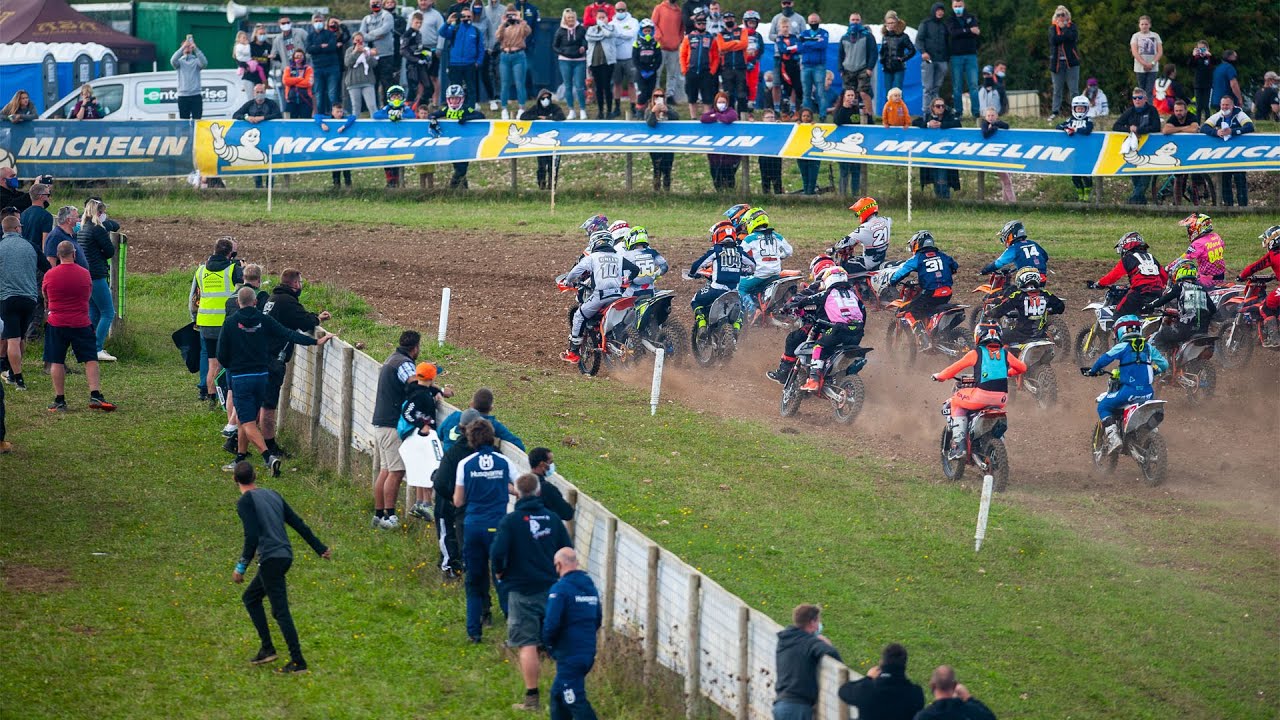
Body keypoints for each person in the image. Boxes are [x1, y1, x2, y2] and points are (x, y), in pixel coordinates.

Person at [231, 462, 331, 675]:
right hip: (284, 555)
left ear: (235, 480)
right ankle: (267, 648)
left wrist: (241, 567)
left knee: (280, 611)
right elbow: (297, 523)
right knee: (251, 598)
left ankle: (298, 661)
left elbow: (252, 536)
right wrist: (319, 547)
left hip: (270, 558)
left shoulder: (245, 502)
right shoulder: (273, 494)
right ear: (255, 475)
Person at [219, 287, 331, 475]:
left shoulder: (230, 323)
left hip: (241, 377)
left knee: (247, 421)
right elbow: (288, 333)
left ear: (238, 303)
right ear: (255, 302)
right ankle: (240, 456)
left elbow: (221, 354)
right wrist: (315, 342)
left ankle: (268, 457)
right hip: (262, 376)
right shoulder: (264, 320)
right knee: (246, 418)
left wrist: (234, 366)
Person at [492, 472, 572, 712]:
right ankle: (568, 695)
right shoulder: (553, 519)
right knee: (561, 642)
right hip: (552, 589)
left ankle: (532, 699)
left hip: (521, 589)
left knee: (527, 643)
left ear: (518, 492)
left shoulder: (511, 521)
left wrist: (499, 573)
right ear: (538, 492)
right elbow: (567, 550)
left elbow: (497, 553)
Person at [453, 419, 518, 642]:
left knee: (474, 579)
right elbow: (522, 488)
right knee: (502, 576)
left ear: (471, 439)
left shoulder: (465, 464)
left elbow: (459, 501)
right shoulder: (504, 461)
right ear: (492, 437)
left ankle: (474, 632)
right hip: (498, 527)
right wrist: (501, 488)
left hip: (473, 527)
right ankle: (514, 629)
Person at [262, 268, 331, 458]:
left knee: (259, 403)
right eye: (300, 283)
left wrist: (315, 317)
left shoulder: (273, 298)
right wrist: (316, 319)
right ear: (294, 284)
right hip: (273, 359)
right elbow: (304, 322)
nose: (300, 286)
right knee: (268, 405)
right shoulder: (286, 301)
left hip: (264, 355)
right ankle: (269, 447)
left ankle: (245, 438)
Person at [932, 322, 1026, 459]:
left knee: (956, 401)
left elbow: (954, 368)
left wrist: (940, 376)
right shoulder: (1005, 353)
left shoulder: (976, 353)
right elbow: (1022, 368)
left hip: (981, 396)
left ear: (978, 336)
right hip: (1001, 399)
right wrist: (1008, 373)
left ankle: (958, 445)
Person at [42, 241, 116, 412]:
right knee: (90, 358)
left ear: (59, 255)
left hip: (57, 322)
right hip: (81, 322)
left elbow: (45, 295)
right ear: (74, 254)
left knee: (57, 360)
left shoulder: (50, 275)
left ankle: (60, 399)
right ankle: (95, 394)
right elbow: (88, 294)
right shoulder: (84, 274)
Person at [1082, 315, 1169, 453]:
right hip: (1149, 394)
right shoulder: (1147, 347)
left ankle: (1113, 437)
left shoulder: (1122, 346)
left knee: (1103, 406)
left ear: (1121, 331)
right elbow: (1164, 364)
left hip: (1129, 392)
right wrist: (1152, 371)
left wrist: (1093, 370)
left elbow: (1104, 359)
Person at [561, 231, 639, 362]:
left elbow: (576, 271)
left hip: (600, 295)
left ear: (594, 242)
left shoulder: (593, 257)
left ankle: (573, 352)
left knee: (579, 315)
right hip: (618, 295)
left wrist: (567, 281)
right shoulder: (618, 257)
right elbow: (635, 269)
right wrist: (628, 279)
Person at [542, 548, 602, 720]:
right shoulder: (590, 587)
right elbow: (597, 619)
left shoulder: (560, 590)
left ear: (559, 565)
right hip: (587, 653)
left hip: (569, 655)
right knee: (558, 695)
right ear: (576, 563)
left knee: (573, 699)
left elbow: (551, 624)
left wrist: (549, 645)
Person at [370, 330, 420, 528]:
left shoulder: (391, 358)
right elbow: (415, 383)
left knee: (385, 470)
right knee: (396, 472)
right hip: (392, 425)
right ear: (415, 347)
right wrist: (436, 390)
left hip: (381, 423)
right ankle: (389, 516)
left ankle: (379, 514)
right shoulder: (404, 363)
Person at [189, 237, 241, 404]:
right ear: (229, 253)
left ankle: (212, 398)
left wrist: (194, 317)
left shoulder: (201, 270)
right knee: (230, 362)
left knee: (212, 363)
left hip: (205, 321)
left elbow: (194, 297)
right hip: (225, 323)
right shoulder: (233, 269)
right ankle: (228, 397)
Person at [399, 361, 454, 519]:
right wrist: (422, 424)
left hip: (420, 435)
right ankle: (427, 504)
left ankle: (420, 502)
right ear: (432, 377)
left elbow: (430, 389)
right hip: (422, 436)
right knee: (429, 467)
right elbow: (407, 412)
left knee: (421, 467)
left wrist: (441, 392)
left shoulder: (419, 388)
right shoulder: (420, 395)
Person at [797, 268, 864, 391]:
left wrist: (797, 306)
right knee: (843, 349)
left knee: (818, 346)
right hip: (857, 331)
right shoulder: (854, 294)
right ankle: (842, 376)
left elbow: (806, 301)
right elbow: (863, 312)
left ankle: (814, 379)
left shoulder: (828, 293)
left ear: (829, 279)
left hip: (838, 329)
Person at [889, 231, 959, 348]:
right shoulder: (943, 256)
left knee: (909, 311)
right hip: (947, 292)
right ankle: (934, 333)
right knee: (928, 309)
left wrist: (892, 281)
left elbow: (900, 273)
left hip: (931, 294)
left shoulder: (917, 258)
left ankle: (924, 340)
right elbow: (955, 266)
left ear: (917, 244)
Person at [773, 604, 841, 720]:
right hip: (797, 708)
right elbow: (835, 657)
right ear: (812, 622)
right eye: (818, 621)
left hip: (780, 704)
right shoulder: (810, 643)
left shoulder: (786, 638)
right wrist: (825, 643)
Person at [687, 220, 752, 329]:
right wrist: (747, 271)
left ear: (718, 235)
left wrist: (692, 273)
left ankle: (702, 322)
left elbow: (697, 264)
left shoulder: (717, 250)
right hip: (734, 292)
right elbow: (752, 264)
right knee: (742, 308)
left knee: (695, 300)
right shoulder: (739, 251)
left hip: (716, 289)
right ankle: (736, 327)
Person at [837, 643, 925, 720]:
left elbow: (843, 691)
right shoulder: (916, 694)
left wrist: (868, 678)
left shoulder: (867, 690)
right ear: (904, 664)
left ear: (881, 663)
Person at [1088, 231, 1167, 318]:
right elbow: (1164, 277)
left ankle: (1127, 331)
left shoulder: (1128, 258)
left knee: (1117, 315)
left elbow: (1113, 276)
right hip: (1157, 293)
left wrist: (1098, 284)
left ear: (1125, 246)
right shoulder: (1151, 258)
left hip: (1139, 292)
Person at [77, 199, 118, 361]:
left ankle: (87, 346)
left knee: (93, 312)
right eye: (103, 212)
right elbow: (109, 251)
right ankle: (97, 348)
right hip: (97, 275)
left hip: (86, 274)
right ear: (99, 213)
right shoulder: (98, 230)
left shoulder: (82, 229)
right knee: (108, 312)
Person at [1145, 262, 1214, 357]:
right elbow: (1213, 309)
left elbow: (1164, 299)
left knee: (1161, 336)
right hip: (1203, 331)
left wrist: (1150, 306)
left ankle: (1161, 363)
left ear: (1179, 273)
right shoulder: (1202, 289)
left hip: (1185, 329)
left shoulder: (1180, 286)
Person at [0, 215, 37, 390]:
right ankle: (14, 374)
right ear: (16, 228)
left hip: (8, 299)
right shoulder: (30, 245)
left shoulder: (1, 247)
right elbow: (46, 266)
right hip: (29, 298)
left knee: (13, 340)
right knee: (21, 338)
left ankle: (18, 379)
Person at [985, 267, 1065, 345]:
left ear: (1021, 280)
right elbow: (1060, 307)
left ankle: (1005, 357)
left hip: (1021, 334)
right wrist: (1048, 311)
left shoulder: (1018, 295)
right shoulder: (1046, 294)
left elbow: (1002, 308)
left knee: (998, 335)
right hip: (1040, 335)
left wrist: (990, 312)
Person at [1199, 95, 1254, 207]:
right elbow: (1204, 127)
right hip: (1223, 154)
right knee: (1225, 181)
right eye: (1223, 105)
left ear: (1232, 105)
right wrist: (1216, 132)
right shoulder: (1218, 115)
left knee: (1240, 181)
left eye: (1227, 105)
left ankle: (1243, 207)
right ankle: (1228, 207)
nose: (1224, 107)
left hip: (1239, 153)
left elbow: (1249, 127)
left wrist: (1232, 131)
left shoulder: (1239, 114)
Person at [738, 208, 792, 318]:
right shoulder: (777, 236)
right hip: (776, 274)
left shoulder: (749, 238)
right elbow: (789, 251)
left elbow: (740, 255)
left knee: (739, 287)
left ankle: (753, 311)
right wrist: (778, 257)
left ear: (752, 222)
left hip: (760, 275)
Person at [1111, 88, 1160, 204]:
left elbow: (1156, 127)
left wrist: (1139, 130)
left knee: (1145, 176)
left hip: (1149, 148)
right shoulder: (1130, 111)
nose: (1137, 100)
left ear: (1145, 99)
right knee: (1135, 177)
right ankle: (1140, 204)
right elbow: (1116, 126)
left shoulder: (1152, 110)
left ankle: (1131, 201)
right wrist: (1129, 129)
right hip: (1134, 149)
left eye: (1139, 98)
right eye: (1134, 98)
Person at [439, 387, 525, 452]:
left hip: (446, 460)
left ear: (471, 404)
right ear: (491, 408)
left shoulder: (454, 416)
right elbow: (518, 446)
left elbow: (439, 433)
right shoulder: (490, 424)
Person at [1239, 226, 1280, 347]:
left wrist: (1241, 276)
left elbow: (1254, 267)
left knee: (1265, 306)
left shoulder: (1274, 254)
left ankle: (1274, 338)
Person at [912, 101, 961, 198]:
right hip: (931, 153)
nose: (941, 108)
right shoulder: (927, 117)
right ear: (933, 108)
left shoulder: (950, 116)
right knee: (936, 177)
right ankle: (939, 200)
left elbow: (957, 123)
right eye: (938, 106)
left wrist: (941, 125)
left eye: (943, 106)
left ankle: (944, 200)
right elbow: (914, 122)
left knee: (943, 177)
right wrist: (928, 124)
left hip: (946, 154)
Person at [834, 197, 891, 277]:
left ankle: (848, 288)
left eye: (858, 213)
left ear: (864, 211)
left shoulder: (865, 228)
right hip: (880, 258)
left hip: (869, 262)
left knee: (840, 268)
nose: (858, 215)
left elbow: (845, 242)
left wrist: (834, 248)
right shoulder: (886, 220)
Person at [914, 666, 999, 720]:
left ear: (932, 686)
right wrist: (968, 698)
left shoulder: (925, 716)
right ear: (955, 685)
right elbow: (990, 717)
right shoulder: (969, 712)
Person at [373, 85, 418, 187]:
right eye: (394, 97)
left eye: (398, 96)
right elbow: (376, 115)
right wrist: (390, 116)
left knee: (398, 161)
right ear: (389, 97)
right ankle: (389, 181)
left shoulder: (404, 108)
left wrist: (400, 116)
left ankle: (397, 182)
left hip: (401, 139)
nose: (396, 99)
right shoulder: (387, 107)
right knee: (387, 161)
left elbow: (412, 115)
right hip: (388, 138)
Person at [836, 13, 875, 121]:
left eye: (857, 20)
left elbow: (873, 53)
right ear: (849, 21)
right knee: (848, 94)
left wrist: (870, 68)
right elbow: (840, 54)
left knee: (864, 93)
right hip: (847, 69)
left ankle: (870, 117)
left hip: (862, 68)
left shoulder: (867, 36)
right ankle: (846, 116)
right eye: (853, 20)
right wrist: (840, 68)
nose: (855, 22)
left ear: (860, 21)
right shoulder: (844, 37)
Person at [495, 6, 532, 119]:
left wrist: (520, 20)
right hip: (505, 56)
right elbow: (497, 37)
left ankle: (521, 108)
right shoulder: (504, 27)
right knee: (505, 84)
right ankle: (504, 108)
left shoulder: (520, 26)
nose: (511, 17)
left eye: (513, 15)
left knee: (519, 83)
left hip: (518, 56)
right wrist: (503, 23)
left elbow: (528, 31)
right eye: (509, 15)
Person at [679, 11, 717, 119]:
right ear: (695, 24)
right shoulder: (688, 37)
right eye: (699, 23)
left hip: (706, 71)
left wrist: (712, 71)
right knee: (692, 96)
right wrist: (684, 69)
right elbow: (682, 54)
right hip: (691, 70)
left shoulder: (711, 38)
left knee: (707, 97)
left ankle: (706, 116)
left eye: (703, 23)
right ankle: (693, 117)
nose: (701, 25)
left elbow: (715, 56)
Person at [525, 89, 566, 188]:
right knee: (541, 166)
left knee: (553, 167)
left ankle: (552, 186)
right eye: (543, 98)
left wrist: (547, 118)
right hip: (541, 142)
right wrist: (538, 118)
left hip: (554, 142)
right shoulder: (536, 108)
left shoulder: (555, 108)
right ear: (539, 99)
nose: (546, 100)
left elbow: (561, 116)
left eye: (547, 98)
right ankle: (541, 184)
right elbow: (524, 116)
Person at [947, 0, 980, 118]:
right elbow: (952, 33)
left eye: (959, 6)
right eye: (955, 6)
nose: (957, 8)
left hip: (971, 55)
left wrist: (964, 31)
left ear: (964, 5)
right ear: (952, 6)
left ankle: (976, 112)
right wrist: (968, 30)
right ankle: (958, 112)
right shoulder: (950, 19)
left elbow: (976, 32)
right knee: (957, 86)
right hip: (956, 56)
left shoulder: (971, 17)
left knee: (974, 85)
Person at [1057, 95, 1094, 201]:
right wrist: (1066, 128)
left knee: (1086, 174)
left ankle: (1087, 195)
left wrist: (1075, 129)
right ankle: (1080, 194)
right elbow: (1058, 126)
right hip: (1074, 152)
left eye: (1082, 108)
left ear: (1086, 109)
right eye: (1078, 108)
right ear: (1074, 108)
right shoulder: (1070, 120)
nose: (1080, 110)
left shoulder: (1088, 120)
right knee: (1075, 176)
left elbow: (1087, 131)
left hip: (1086, 152)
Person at [700, 92, 740, 190]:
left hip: (729, 154)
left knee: (729, 177)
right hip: (715, 154)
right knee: (716, 178)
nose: (721, 104)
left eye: (723, 102)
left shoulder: (732, 112)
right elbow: (703, 118)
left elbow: (728, 119)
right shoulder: (712, 111)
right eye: (719, 102)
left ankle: (730, 193)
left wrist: (716, 116)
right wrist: (716, 116)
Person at [554, 10, 589, 119]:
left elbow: (585, 41)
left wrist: (584, 47)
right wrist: (563, 52)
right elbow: (555, 46)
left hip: (579, 61)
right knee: (568, 86)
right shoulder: (560, 31)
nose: (571, 20)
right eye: (568, 18)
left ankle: (582, 109)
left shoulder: (581, 29)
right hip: (565, 61)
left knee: (579, 86)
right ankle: (571, 110)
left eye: (572, 18)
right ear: (565, 19)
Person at [981, 220, 1046, 278]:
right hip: (1042, 277)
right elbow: (1045, 257)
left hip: (1027, 278)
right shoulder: (1033, 243)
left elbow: (999, 263)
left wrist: (986, 270)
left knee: (1012, 290)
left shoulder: (1014, 248)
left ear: (1010, 235)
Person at [915, 3, 949, 114]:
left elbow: (948, 42)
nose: (940, 12)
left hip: (942, 60)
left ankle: (937, 112)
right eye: (938, 10)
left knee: (937, 87)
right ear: (934, 11)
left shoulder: (944, 26)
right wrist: (923, 52)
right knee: (928, 88)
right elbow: (919, 40)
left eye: (942, 10)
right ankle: (926, 112)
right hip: (928, 60)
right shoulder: (925, 24)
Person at [1046, 6, 1079, 121]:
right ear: (1055, 16)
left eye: (1063, 14)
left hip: (1071, 63)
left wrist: (1064, 29)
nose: (1061, 17)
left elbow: (1072, 37)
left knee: (1073, 89)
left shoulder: (1072, 27)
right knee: (1057, 89)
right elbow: (1053, 40)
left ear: (1067, 16)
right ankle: (1055, 112)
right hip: (1057, 64)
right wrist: (1063, 35)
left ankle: (1076, 112)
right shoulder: (1052, 28)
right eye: (1058, 15)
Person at [650, 0, 685, 105]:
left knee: (672, 74)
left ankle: (670, 95)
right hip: (660, 47)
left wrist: (679, 39)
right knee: (657, 72)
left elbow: (682, 28)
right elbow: (653, 24)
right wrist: (658, 36)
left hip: (674, 48)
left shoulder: (679, 11)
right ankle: (657, 95)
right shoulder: (659, 8)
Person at [306, 15, 343, 112]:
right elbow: (309, 49)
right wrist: (321, 46)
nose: (318, 22)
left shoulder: (330, 34)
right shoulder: (310, 36)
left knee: (332, 93)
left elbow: (332, 47)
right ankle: (320, 114)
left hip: (332, 67)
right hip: (317, 68)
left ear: (324, 22)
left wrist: (316, 47)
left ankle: (334, 113)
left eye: (320, 20)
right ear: (312, 22)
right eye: (316, 20)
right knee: (319, 93)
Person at [361, 0, 398, 97]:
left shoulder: (387, 16)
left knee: (387, 83)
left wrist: (370, 33)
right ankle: (374, 108)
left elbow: (385, 29)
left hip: (386, 55)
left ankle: (388, 106)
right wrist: (374, 36)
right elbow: (362, 35)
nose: (375, 4)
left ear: (382, 3)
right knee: (373, 83)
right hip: (371, 56)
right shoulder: (366, 19)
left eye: (377, 2)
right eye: (373, 2)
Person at [314, 103, 356, 188]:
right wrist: (322, 124)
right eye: (337, 112)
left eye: (341, 112)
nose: (340, 114)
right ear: (332, 112)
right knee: (335, 168)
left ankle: (348, 186)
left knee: (346, 169)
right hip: (333, 149)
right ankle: (336, 186)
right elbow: (316, 116)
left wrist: (344, 126)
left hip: (345, 149)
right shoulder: (329, 119)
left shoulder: (345, 119)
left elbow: (353, 117)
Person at [527, 447, 575, 522]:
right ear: (542, 464)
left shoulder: (523, 484)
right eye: (550, 462)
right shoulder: (546, 488)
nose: (552, 465)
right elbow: (567, 513)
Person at [1177, 213, 1225, 287]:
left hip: (1206, 280)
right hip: (1221, 276)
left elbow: (1184, 258)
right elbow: (1222, 246)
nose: (1189, 231)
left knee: (1181, 286)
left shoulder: (1198, 243)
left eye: (1190, 228)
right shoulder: (1216, 236)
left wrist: (1170, 266)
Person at [585, 10, 617, 119]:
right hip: (595, 62)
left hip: (607, 62)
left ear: (607, 18)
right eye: (599, 17)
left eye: (603, 17)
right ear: (596, 18)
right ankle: (600, 111)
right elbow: (590, 37)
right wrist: (601, 33)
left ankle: (609, 111)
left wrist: (603, 26)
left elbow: (608, 34)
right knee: (598, 87)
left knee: (607, 87)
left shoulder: (611, 27)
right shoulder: (591, 29)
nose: (601, 19)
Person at [979, 107, 1015, 202]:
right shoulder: (984, 124)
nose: (990, 117)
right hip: (992, 157)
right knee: (1006, 180)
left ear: (996, 116)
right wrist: (994, 128)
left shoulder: (998, 123)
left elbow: (1007, 126)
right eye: (988, 116)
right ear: (985, 116)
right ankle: (1013, 203)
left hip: (1003, 155)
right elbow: (985, 134)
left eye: (992, 115)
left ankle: (1006, 202)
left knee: (1006, 181)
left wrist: (994, 124)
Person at [644, 92, 678, 191]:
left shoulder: (669, 108)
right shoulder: (648, 110)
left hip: (668, 143)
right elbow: (650, 124)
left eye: (661, 96)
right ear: (652, 97)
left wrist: (667, 111)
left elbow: (677, 119)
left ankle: (667, 190)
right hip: (654, 143)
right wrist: (654, 112)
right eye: (656, 96)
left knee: (667, 168)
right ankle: (656, 190)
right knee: (656, 167)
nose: (659, 98)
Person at [832, 89, 863, 195]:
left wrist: (866, 112)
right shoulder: (840, 109)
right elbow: (837, 121)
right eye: (848, 95)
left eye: (852, 95)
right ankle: (842, 195)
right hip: (843, 145)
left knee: (856, 172)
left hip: (857, 145)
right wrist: (845, 107)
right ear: (844, 97)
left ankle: (855, 194)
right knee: (844, 171)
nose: (850, 97)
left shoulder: (857, 109)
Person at [797, 14, 828, 121]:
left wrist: (807, 43)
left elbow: (822, 45)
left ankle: (823, 116)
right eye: (811, 21)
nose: (813, 23)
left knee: (820, 92)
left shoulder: (824, 32)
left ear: (819, 21)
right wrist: (814, 42)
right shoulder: (804, 33)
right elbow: (799, 48)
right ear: (808, 22)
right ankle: (806, 117)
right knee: (806, 93)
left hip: (819, 66)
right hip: (806, 66)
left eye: (815, 21)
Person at [171, 37, 209, 120]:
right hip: (183, 96)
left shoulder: (196, 61)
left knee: (198, 121)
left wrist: (196, 49)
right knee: (184, 122)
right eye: (185, 46)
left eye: (188, 46)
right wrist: (182, 48)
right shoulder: (179, 62)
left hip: (196, 96)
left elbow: (204, 63)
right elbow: (172, 60)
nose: (187, 47)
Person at [879, 12, 915, 98]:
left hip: (899, 67)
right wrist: (882, 59)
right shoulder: (885, 36)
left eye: (892, 23)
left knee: (898, 92)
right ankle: (888, 111)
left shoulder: (903, 36)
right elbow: (882, 51)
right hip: (887, 67)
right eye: (888, 23)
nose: (890, 25)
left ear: (897, 23)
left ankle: (899, 110)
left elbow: (912, 50)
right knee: (888, 93)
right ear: (885, 24)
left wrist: (902, 58)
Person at [346, 33, 380, 115]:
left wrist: (366, 54)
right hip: (353, 82)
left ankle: (376, 125)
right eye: (356, 40)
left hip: (367, 81)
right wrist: (355, 52)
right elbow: (347, 63)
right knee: (356, 107)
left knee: (372, 106)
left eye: (360, 40)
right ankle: (354, 126)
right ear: (353, 41)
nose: (358, 42)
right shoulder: (349, 50)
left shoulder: (368, 50)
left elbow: (374, 64)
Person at [43, 206, 86, 271]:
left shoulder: (72, 235)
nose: (79, 220)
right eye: (77, 217)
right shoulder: (55, 237)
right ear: (69, 220)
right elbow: (51, 262)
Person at [1129, 15, 1162, 96]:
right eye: (1142, 24)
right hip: (1140, 67)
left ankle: (1149, 107)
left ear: (1150, 25)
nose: (1144, 26)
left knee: (1149, 90)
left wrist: (1152, 63)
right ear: (1139, 25)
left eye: (1146, 24)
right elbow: (1134, 51)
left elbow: (1160, 51)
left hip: (1153, 68)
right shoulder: (1135, 36)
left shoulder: (1155, 35)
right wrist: (1144, 63)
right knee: (1141, 90)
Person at [281, 48, 315, 119]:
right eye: (296, 56)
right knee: (289, 124)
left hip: (305, 101)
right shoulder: (288, 69)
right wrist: (299, 79)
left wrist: (292, 82)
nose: (298, 58)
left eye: (300, 56)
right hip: (290, 101)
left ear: (303, 58)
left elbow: (308, 83)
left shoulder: (308, 69)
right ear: (293, 57)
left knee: (305, 123)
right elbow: (285, 81)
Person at [1187, 40, 1215, 122]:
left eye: (1203, 48)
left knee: (1206, 106)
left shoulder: (1209, 58)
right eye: (1199, 48)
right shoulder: (1196, 58)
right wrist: (1193, 55)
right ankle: (1197, 123)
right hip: (1198, 85)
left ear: (1207, 48)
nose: (1201, 50)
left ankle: (1208, 123)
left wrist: (1209, 55)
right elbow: (1189, 65)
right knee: (1198, 106)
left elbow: (1215, 63)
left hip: (1207, 85)